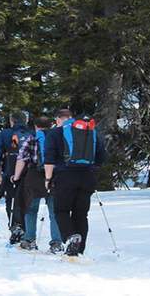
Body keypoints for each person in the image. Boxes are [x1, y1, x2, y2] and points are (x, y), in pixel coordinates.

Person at [44, 109, 106, 256]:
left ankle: (71, 238)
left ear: (59, 120)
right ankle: (79, 249)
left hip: (65, 177)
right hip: (87, 177)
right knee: (81, 214)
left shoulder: (55, 133)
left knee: (61, 210)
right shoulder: (92, 132)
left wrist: (48, 179)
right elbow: (101, 156)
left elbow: (49, 159)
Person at [12, 116, 62, 253]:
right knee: (54, 212)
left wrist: (16, 177)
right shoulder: (57, 137)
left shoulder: (31, 138)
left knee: (31, 209)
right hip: (53, 176)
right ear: (51, 125)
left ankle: (29, 240)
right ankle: (56, 243)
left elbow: (22, 158)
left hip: (34, 177)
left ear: (35, 126)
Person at [0, 111, 28, 244]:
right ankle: (26, 229)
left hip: (10, 171)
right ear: (26, 121)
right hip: (29, 172)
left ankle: (15, 226)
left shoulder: (5, 134)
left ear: (12, 121)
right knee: (27, 201)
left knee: (11, 200)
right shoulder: (32, 133)